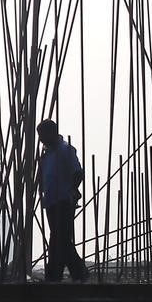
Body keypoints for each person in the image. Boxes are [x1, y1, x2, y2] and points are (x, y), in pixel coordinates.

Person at [37, 119, 88, 282]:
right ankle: (58, 275)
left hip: (64, 200)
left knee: (60, 238)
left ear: (52, 132)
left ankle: (67, 274)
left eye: (42, 134)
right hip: (51, 201)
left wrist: (72, 190)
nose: (41, 139)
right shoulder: (46, 154)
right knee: (59, 239)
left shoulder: (65, 150)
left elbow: (78, 172)